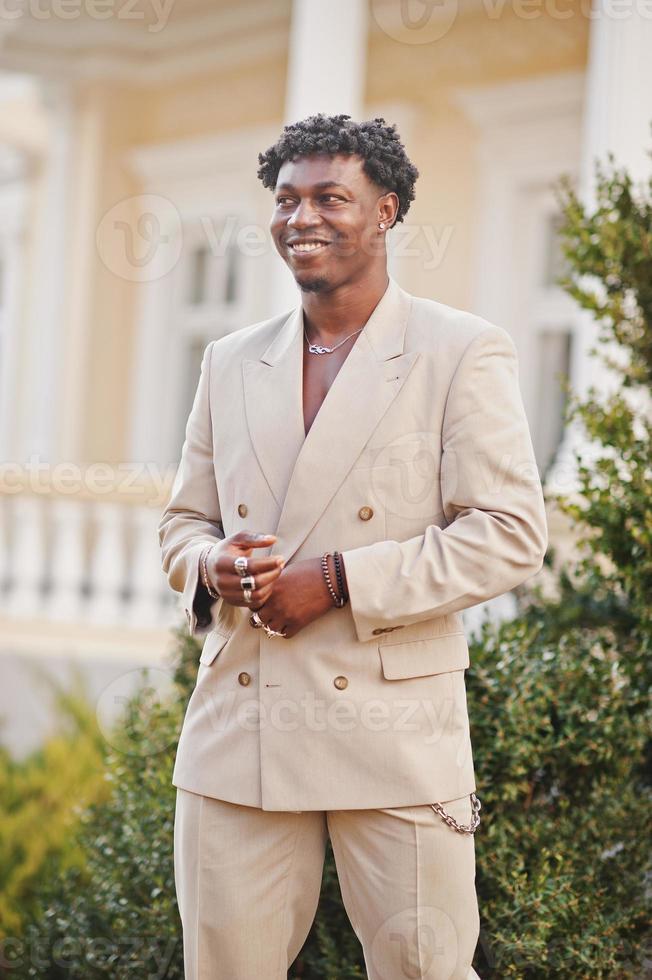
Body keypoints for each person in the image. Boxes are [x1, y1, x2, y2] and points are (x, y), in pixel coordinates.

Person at [158, 113, 548, 980]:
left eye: (331, 197)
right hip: (241, 730)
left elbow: (511, 535)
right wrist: (209, 565)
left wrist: (336, 580)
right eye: (286, 199)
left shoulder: (459, 350)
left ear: (386, 211)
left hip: (396, 736)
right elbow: (183, 523)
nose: (303, 218)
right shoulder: (229, 360)